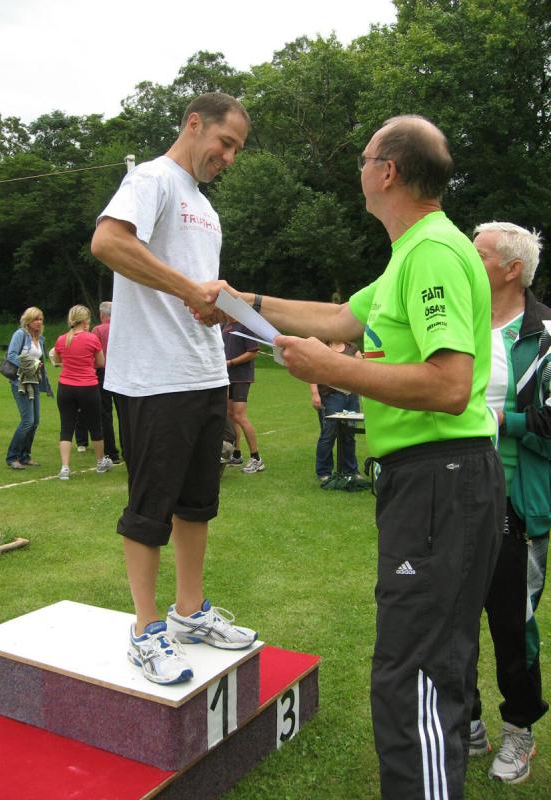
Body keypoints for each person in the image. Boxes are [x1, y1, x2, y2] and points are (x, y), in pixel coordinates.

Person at [205, 115, 505, 800]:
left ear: (388, 171)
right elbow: (340, 319)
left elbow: (449, 384)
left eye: (364, 158)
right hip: (430, 483)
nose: (360, 170)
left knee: (415, 676)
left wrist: (332, 370)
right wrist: (244, 304)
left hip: (440, 480)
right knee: (419, 665)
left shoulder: (433, 252)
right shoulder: (411, 253)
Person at [90, 92, 257, 686]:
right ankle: (145, 629)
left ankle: (190, 611)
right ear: (193, 124)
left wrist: (218, 300)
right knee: (149, 509)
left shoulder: (206, 207)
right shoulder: (151, 179)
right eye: (225, 143)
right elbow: (108, 243)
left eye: (236, 150)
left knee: (197, 504)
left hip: (205, 373)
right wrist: (190, 288)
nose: (229, 158)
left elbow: (199, 292)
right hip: (153, 378)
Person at [469, 222, 550, 783]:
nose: (467, 260)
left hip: (516, 502)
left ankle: (519, 728)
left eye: (480, 254)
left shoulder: (544, 336)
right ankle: (467, 719)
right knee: (452, 614)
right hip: (455, 493)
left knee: (512, 623)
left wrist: (501, 419)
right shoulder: (461, 318)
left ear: (512, 269)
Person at [51, 305, 113, 480]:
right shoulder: (92, 338)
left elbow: (58, 360)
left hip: (65, 387)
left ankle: (65, 467)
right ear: (85, 320)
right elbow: (101, 362)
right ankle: (100, 462)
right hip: (88, 387)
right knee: (95, 425)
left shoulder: (61, 339)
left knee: (66, 427)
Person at [5, 306, 53, 470]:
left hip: (34, 382)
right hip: (20, 383)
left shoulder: (40, 339)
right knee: (27, 421)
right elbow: (11, 355)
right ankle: (12, 457)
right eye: (35, 319)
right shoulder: (20, 334)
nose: (38, 322)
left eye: (40, 319)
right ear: (28, 321)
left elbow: (41, 362)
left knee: (35, 421)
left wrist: (46, 384)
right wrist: (30, 364)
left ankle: (25, 456)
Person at [309, 341, 360, 483]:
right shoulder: (321, 348)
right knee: (328, 435)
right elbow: (312, 371)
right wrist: (315, 394)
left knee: (349, 435)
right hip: (330, 397)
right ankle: (324, 472)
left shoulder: (352, 348)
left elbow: (363, 368)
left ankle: (350, 470)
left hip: (351, 397)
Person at [222, 318, 264, 473]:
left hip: (241, 377)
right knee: (230, 415)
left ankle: (256, 459)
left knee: (240, 416)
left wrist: (231, 362)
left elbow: (253, 352)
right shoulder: (224, 325)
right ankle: (236, 454)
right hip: (227, 377)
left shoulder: (245, 325)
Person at [92, 301, 121, 464]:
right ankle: (129, 449)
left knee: (105, 413)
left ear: (102, 315)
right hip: (122, 372)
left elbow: (93, 353)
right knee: (124, 413)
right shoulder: (121, 328)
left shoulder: (98, 330)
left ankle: (111, 452)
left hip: (103, 372)